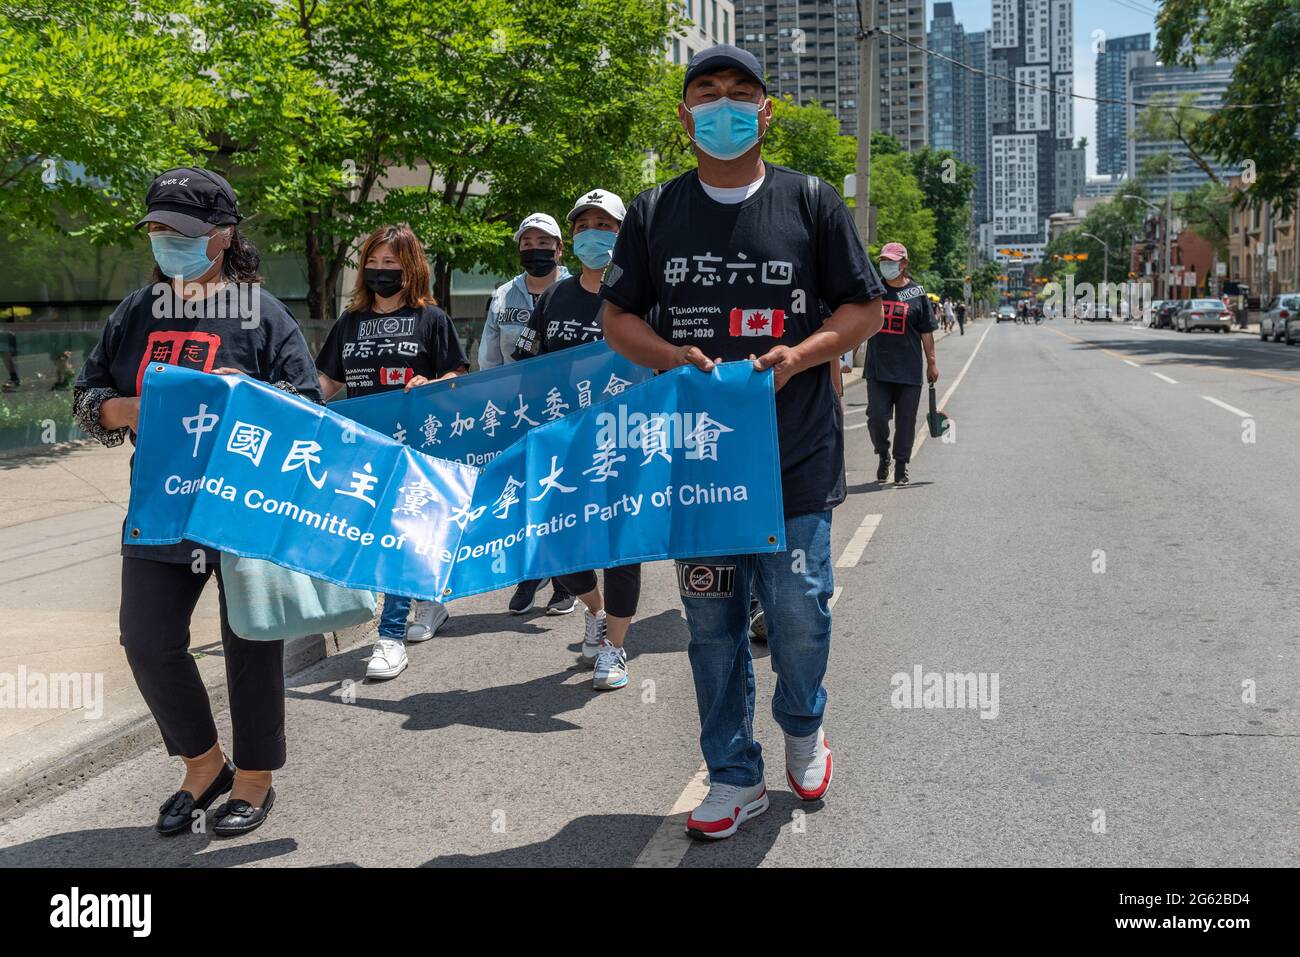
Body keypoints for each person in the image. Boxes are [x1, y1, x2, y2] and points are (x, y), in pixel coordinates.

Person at [600, 44, 884, 839]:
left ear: (766, 111)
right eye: (706, 92)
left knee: (799, 614)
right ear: (686, 114)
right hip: (699, 467)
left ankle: (803, 723)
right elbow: (617, 317)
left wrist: (802, 354)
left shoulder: (813, 201)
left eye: (740, 92)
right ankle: (733, 773)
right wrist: (671, 358)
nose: (723, 104)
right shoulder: (653, 211)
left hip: (795, 457)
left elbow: (860, 308)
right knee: (712, 625)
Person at [72, 167, 323, 836]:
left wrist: (250, 396)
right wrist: (127, 406)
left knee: (250, 641)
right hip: (160, 504)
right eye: (155, 229)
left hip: (242, 506)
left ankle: (254, 777)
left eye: (180, 232)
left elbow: (309, 405)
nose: (165, 242)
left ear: (222, 236)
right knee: (146, 639)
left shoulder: (261, 314)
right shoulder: (135, 313)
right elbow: (88, 398)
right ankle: (204, 761)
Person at [316, 224, 468, 680]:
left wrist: (431, 384)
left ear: (411, 267)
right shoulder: (349, 323)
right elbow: (324, 384)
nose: (381, 271)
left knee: (397, 535)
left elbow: (457, 376)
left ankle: (390, 637)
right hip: (362, 449)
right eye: (374, 263)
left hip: (416, 446)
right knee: (376, 533)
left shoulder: (431, 319)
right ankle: (432, 602)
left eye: (391, 263)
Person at [513, 188, 641, 690]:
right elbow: (523, 371)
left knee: (621, 548)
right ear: (573, 238)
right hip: (562, 446)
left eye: (606, 226)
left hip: (625, 442)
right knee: (557, 546)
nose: (595, 235)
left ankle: (615, 646)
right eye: (585, 226)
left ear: (622, 233)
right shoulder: (554, 298)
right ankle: (595, 610)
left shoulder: (643, 295)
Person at [478, 213, 576, 617]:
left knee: (565, 492)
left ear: (558, 247)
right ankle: (531, 572)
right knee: (524, 493)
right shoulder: (503, 296)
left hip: (574, 408)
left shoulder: (583, 289)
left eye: (543, 241)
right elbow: (490, 358)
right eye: (527, 241)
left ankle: (567, 580)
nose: (534, 248)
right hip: (518, 411)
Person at [863, 242, 939, 487]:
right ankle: (883, 453)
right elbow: (860, 323)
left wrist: (932, 363)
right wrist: (844, 356)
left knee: (906, 421)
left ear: (904, 264)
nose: (887, 266)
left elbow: (926, 331)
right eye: (884, 261)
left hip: (909, 370)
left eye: (892, 261)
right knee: (877, 417)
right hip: (878, 368)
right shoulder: (875, 290)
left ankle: (901, 465)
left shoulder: (917, 293)